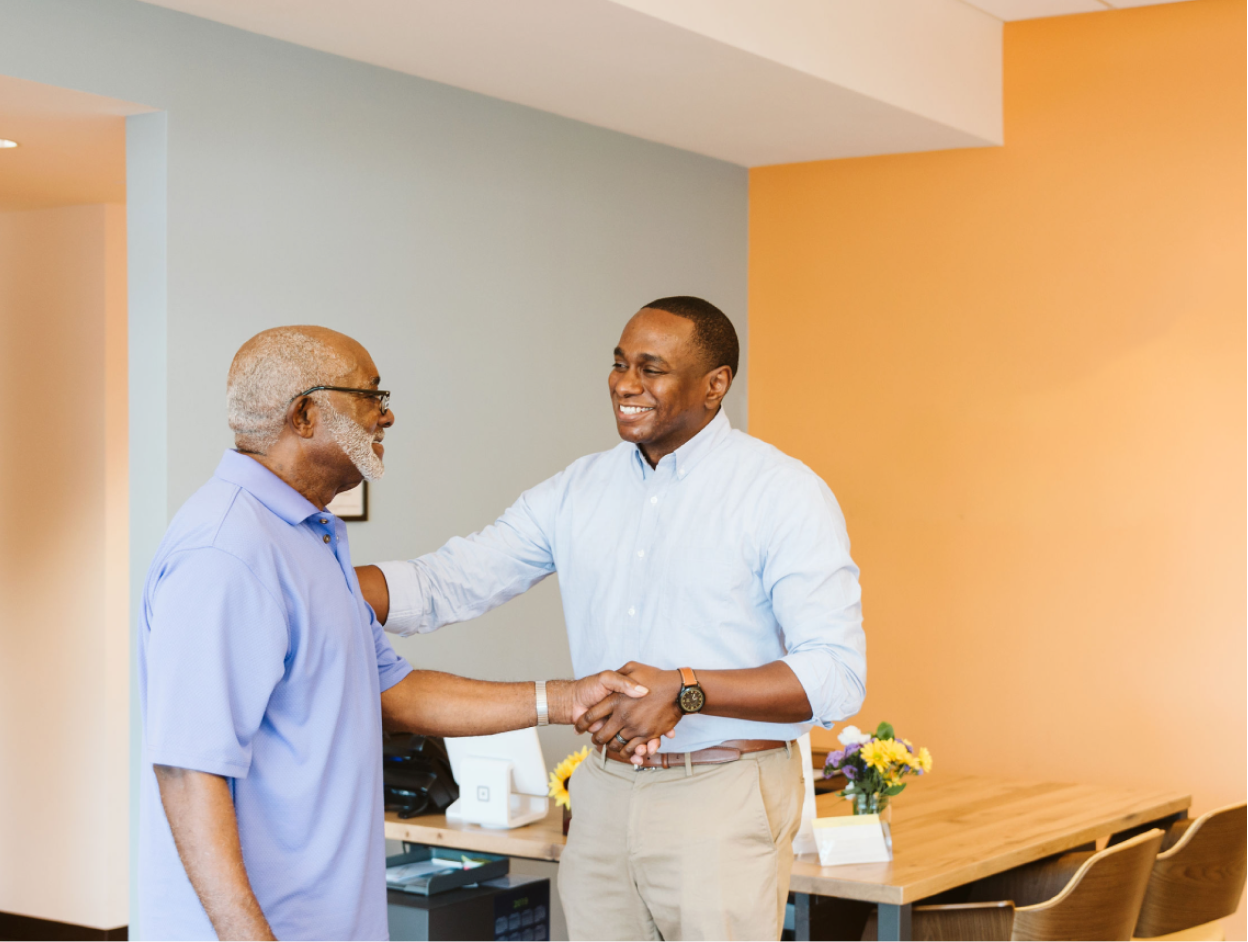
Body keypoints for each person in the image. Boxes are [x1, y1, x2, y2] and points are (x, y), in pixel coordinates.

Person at [357, 297, 866, 942]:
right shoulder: (577, 489)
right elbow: (446, 583)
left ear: (716, 385)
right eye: (620, 363)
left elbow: (836, 675)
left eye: (651, 369)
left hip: (724, 793)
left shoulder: (782, 494)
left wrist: (685, 689)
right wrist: (304, 580)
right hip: (601, 790)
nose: (625, 383)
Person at [137, 325, 655, 942]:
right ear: (304, 414)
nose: (387, 416)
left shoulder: (309, 536)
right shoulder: (226, 552)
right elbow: (189, 770)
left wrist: (565, 699)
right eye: (370, 397)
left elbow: (394, 690)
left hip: (328, 918)